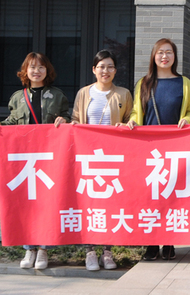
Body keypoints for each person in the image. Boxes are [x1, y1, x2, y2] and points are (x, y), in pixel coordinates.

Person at [0, 52, 70, 270]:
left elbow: (69, 119)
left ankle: (43, 249)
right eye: (32, 67)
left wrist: (64, 120)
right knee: (27, 203)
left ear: (47, 71)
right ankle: (29, 248)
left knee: (48, 203)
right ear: (25, 71)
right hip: (26, 160)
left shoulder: (57, 95)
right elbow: (11, 122)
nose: (36, 71)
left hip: (49, 160)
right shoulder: (17, 97)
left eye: (41, 67)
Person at [128, 38, 190, 262]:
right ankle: (151, 243)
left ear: (175, 56)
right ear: (153, 56)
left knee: (171, 195)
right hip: (150, 148)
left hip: (175, 147)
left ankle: (168, 242)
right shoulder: (144, 83)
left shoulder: (184, 83)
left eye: (169, 52)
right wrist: (132, 121)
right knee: (150, 196)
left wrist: (187, 119)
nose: (164, 56)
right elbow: (137, 111)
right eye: (160, 52)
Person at [70, 49, 133, 271]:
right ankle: (89, 251)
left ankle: (107, 251)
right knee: (89, 203)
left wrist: (128, 124)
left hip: (112, 158)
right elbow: (75, 119)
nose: (105, 71)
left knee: (110, 204)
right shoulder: (83, 93)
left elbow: (131, 118)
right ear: (94, 70)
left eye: (110, 67)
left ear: (115, 70)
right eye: (101, 67)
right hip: (88, 156)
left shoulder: (123, 94)